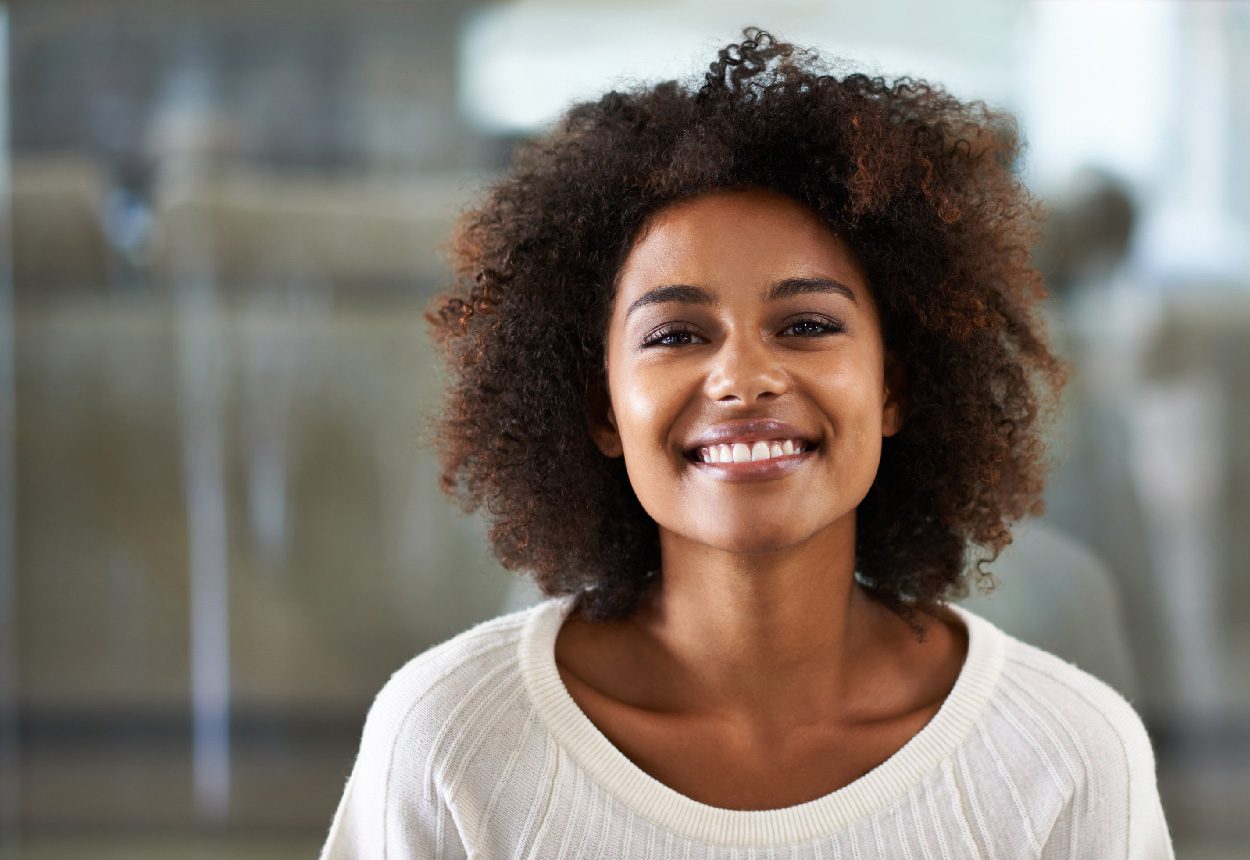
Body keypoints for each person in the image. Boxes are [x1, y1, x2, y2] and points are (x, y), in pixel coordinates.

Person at [321, 29, 1173, 859]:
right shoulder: (449, 741)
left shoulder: (1068, 755)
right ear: (601, 410)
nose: (742, 377)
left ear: (894, 389)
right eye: (676, 335)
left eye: (806, 323)